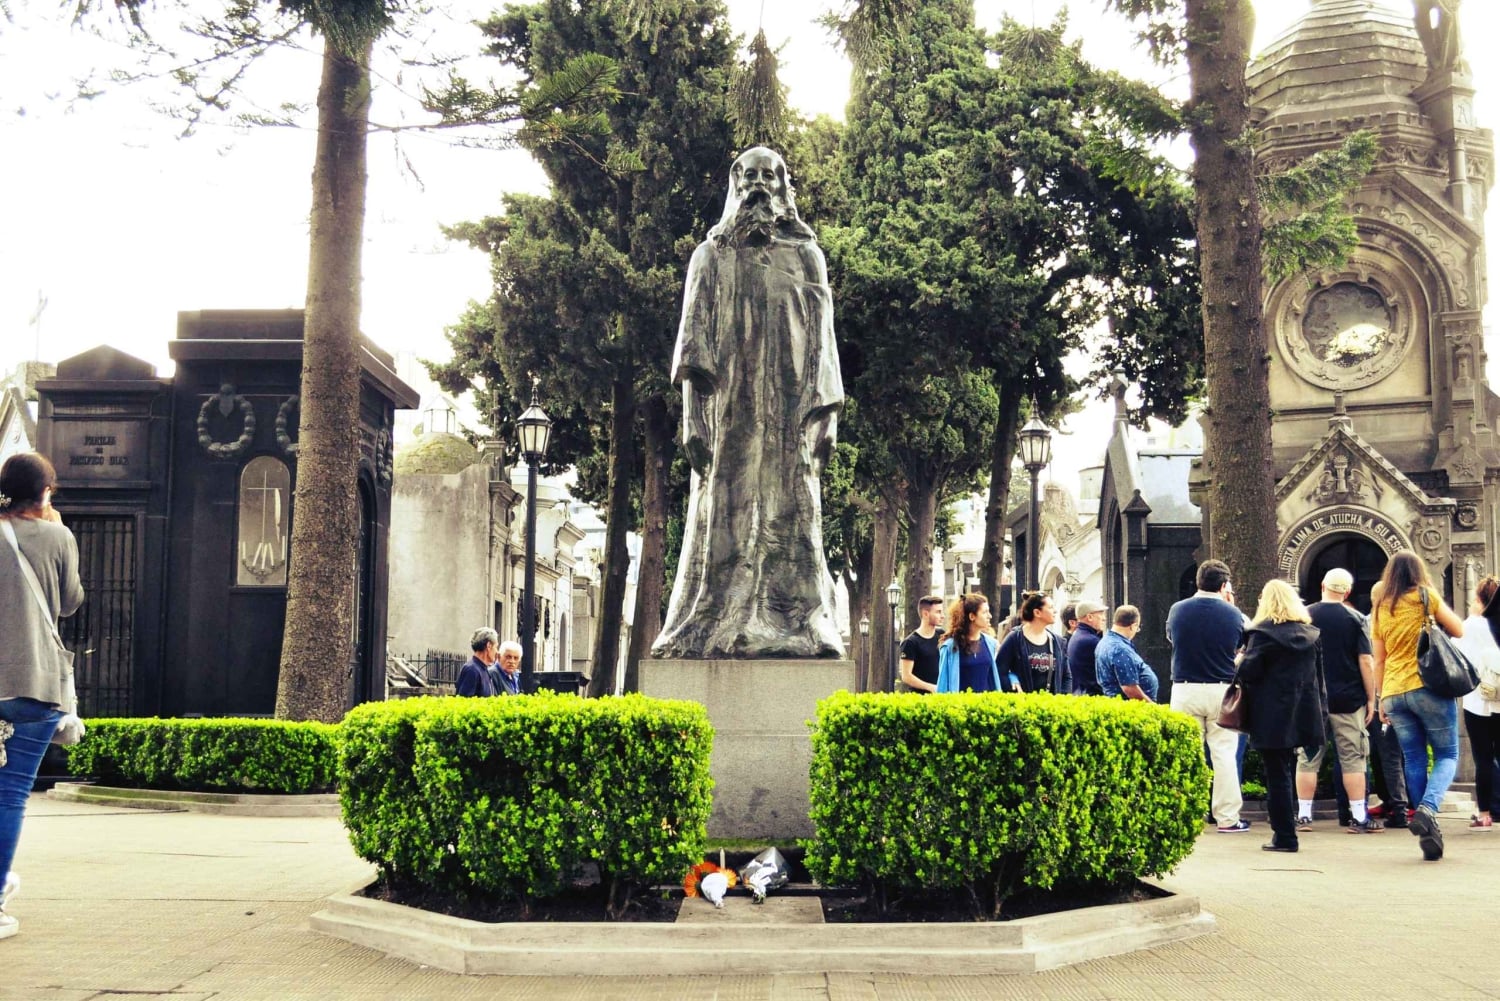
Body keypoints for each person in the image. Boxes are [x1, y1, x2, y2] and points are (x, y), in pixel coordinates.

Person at [652, 146, 844, 659]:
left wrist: (827, 415)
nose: (759, 185)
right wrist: (693, 414)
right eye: (750, 176)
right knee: (725, 512)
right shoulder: (710, 256)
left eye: (769, 176)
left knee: (795, 513)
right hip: (729, 410)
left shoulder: (808, 256)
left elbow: (823, 342)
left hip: (790, 413)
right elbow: (693, 341)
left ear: (783, 185)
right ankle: (716, 620)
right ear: (736, 183)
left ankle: (801, 623)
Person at [0, 452, 85, 940]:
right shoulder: (58, 536)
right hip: (32, 685)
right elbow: (71, 601)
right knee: (10, 795)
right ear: (46, 492)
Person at [1371, 549, 1464, 861]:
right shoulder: (1426, 596)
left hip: (1395, 692)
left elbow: (1378, 658)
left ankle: (1426, 823)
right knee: (1448, 754)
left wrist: (1381, 698)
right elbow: (1458, 629)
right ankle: (1428, 807)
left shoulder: (1381, 606)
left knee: (1412, 759)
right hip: (1429, 688)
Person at [1237, 579, 1327, 854]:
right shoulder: (1312, 634)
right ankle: (1288, 831)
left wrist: (1240, 661)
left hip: (1272, 715)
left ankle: (1285, 836)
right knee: (1288, 769)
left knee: (1276, 775)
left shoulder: (1261, 635)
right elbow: (1319, 677)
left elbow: (1248, 673)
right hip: (1303, 711)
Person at [1166, 559, 1251, 832]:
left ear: (1198, 581)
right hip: (1221, 689)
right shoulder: (1235, 615)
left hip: (1184, 688)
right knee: (1224, 755)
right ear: (1224, 585)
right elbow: (1245, 646)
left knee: (1185, 753)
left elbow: (1171, 639)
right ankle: (1227, 818)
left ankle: (1183, 815)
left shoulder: (1177, 610)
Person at [1297, 568, 1382, 834]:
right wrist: (1371, 699)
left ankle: (1304, 816)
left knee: (1308, 758)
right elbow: (1366, 661)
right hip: (1348, 699)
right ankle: (1359, 817)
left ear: (1322, 585)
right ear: (1347, 591)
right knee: (1353, 758)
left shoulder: (1305, 616)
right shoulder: (1355, 619)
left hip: (1312, 701)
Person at [1454, 575, 1500, 831]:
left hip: (1477, 700)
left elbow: (1454, 652)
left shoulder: (1471, 625)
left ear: (1481, 600)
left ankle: (1484, 814)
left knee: (1483, 757)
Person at [995, 592, 1071, 694]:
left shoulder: (1058, 642)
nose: (1055, 611)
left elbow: (1066, 676)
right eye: (1051, 607)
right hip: (1023, 705)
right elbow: (999, 670)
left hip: (1052, 706)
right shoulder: (1015, 638)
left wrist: (1063, 699)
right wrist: (1012, 688)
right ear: (1037, 613)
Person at [935, 594, 1001, 693]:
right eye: (985, 612)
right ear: (972, 616)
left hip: (987, 705)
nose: (990, 616)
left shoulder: (991, 643)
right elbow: (943, 686)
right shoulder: (950, 647)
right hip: (961, 706)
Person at [1095, 605, 1159, 701]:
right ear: (1133, 626)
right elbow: (1130, 688)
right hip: (1132, 707)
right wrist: (1153, 708)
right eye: (1137, 628)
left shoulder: (1106, 641)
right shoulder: (1120, 649)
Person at [899, 596, 945, 694]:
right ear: (925, 614)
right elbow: (906, 676)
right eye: (938, 612)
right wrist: (931, 687)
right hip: (920, 700)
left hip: (942, 698)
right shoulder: (910, 642)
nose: (942, 616)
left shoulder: (942, 635)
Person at [1068, 600, 1107, 695]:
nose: (1104, 618)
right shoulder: (1091, 641)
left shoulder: (1078, 635)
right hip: (1092, 696)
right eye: (1101, 614)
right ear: (1089, 617)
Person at [457, 628, 498, 697]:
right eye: (496, 647)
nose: (497, 651)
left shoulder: (483, 669)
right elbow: (465, 701)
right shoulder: (472, 670)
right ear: (489, 646)